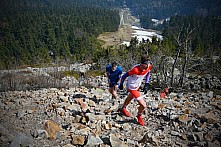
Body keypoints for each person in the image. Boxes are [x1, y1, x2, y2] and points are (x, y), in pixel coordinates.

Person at [119, 55, 152, 126]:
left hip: (137, 85)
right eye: (143, 67)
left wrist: (146, 83)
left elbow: (148, 73)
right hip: (131, 86)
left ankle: (123, 108)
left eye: (146, 67)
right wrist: (121, 84)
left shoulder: (148, 66)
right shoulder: (135, 70)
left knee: (131, 96)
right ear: (141, 63)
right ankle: (139, 115)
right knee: (143, 105)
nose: (144, 69)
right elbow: (124, 76)